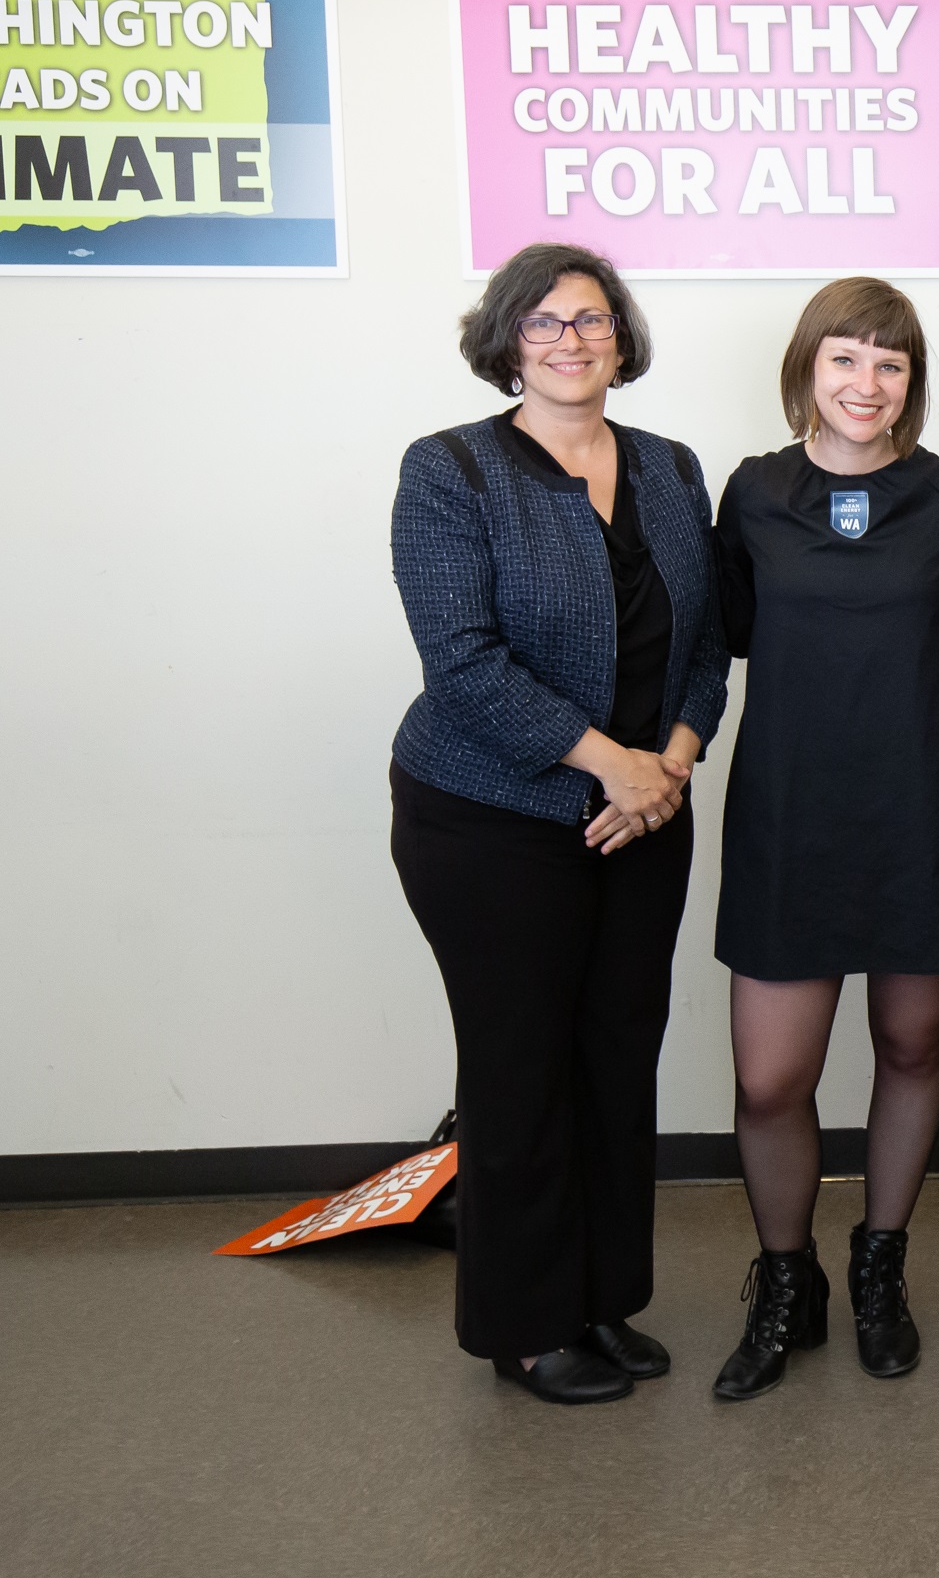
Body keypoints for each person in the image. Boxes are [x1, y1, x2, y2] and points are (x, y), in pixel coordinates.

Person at [388, 242, 730, 1405]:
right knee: (518, 1068)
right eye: (542, 323)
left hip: (646, 815)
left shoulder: (674, 469)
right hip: (491, 819)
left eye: (589, 320)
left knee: (614, 1056)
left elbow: (708, 650)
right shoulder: (452, 472)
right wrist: (608, 765)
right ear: (505, 342)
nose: (570, 341)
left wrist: (668, 768)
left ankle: (598, 1298)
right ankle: (526, 1325)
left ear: (620, 337)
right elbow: (462, 663)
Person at [705, 277, 939, 1401]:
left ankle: (879, 1265)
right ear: (806, 371)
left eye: (889, 364)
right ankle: (784, 1279)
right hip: (790, 816)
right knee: (769, 1079)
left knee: (911, 1047)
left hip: (919, 811)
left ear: (910, 384)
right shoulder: (749, 494)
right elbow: (725, 633)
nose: (865, 383)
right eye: (844, 359)